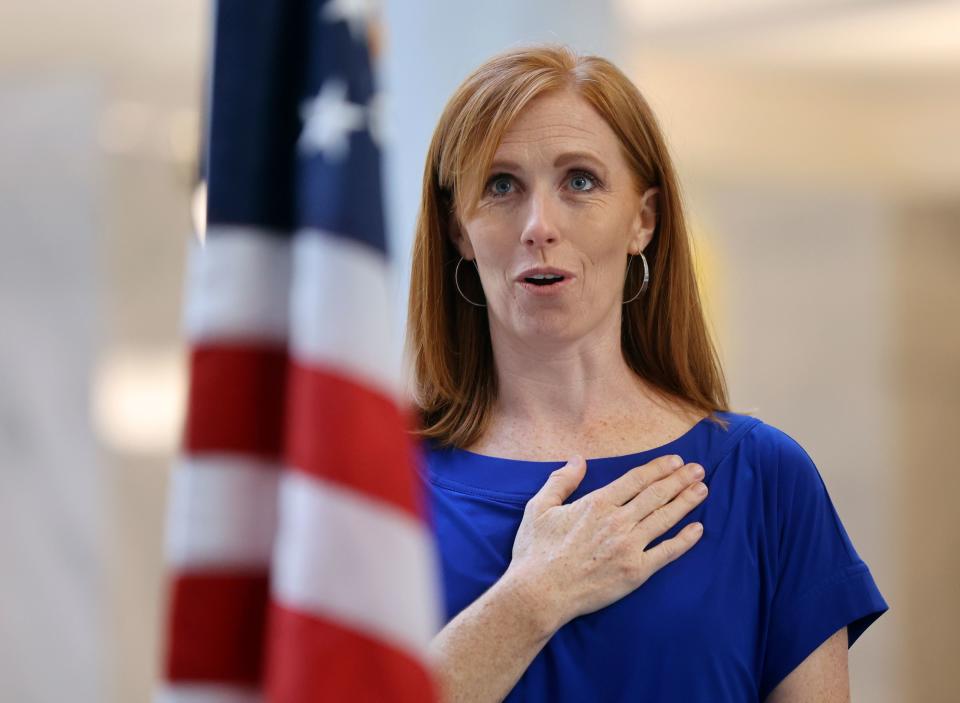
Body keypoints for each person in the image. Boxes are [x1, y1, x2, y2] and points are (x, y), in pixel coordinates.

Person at [404, 44, 888, 703]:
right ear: (459, 229)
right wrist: (532, 598)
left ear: (643, 219)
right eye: (500, 185)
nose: (540, 225)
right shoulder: (384, 480)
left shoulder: (764, 478)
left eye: (580, 181)